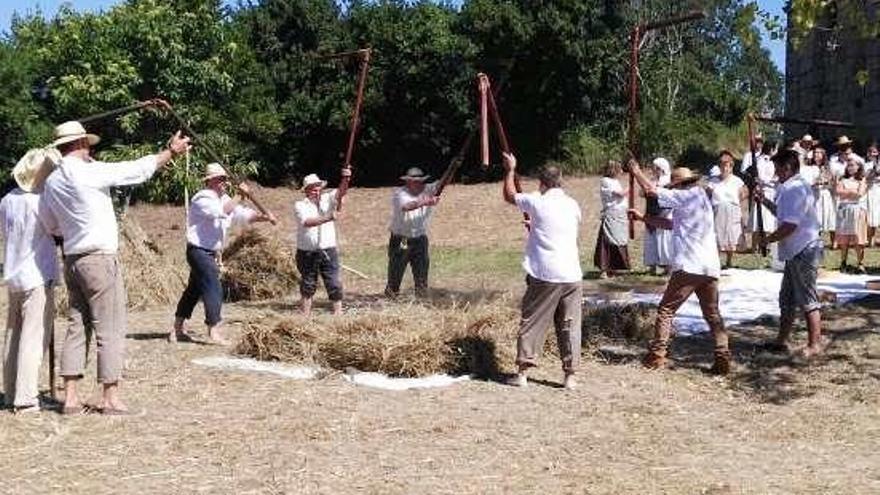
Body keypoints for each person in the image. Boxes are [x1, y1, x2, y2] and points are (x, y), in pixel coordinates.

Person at [41, 121, 190, 415]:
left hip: (72, 259)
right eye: (88, 144)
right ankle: (109, 397)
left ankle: (70, 397)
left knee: (76, 326)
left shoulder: (52, 182)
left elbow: (49, 224)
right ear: (81, 144)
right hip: (99, 259)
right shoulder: (89, 171)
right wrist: (170, 152)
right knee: (109, 328)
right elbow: (133, 170)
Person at [628, 162, 730, 375]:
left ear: (679, 185)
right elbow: (672, 225)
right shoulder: (700, 197)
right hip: (709, 266)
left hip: (689, 265)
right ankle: (722, 354)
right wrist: (643, 218)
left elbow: (651, 191)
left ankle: (657, 356)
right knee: (712, 313)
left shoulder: (684, 196)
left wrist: (636, 171)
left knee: (666, 310)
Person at [170, 163, 276, 344]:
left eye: (225, 179)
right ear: (209, 181)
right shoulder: (202, 197)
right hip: (198, 251)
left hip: (210, 252)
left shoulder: (224, 198)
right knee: (214, 285)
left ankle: (176, 329)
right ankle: (214, 329)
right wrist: (240, 195)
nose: (223, 182)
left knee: (193, 291)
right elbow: (221, 212)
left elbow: (242, 214)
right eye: (220, 179)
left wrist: (264, 217)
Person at [501, 153, 582, 389]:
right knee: (569, 325)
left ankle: (523, 373)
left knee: (532, 321)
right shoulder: (572, 204)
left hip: (547, 273)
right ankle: (570, 376)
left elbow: (509, 196)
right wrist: (535, 226)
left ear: (542, 183)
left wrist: (510, 170)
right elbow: (562, 230)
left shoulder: (538, 201)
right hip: (572, 274)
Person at [1, 148, 60, 413]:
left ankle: (10, 392)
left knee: (13, 336)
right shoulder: (41, 202)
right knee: (32, 339)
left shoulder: (7, 200)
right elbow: (57, 230)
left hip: (14, 274)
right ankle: (25, 399)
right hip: (37, 276)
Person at [758, 149, 826, 356]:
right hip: (796, 251)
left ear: (787, 168)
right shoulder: (792, 187)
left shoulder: (794, 189)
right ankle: (781, 341)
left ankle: (815, 344)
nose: (776, 174)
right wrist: (764, 201)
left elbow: (789, 225)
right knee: (786, 298)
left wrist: (767, 240)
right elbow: (784, 213)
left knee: (807, 297)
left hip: (804, 249)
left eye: (778, 169)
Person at [294, 169, 351, 316]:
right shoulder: (300, 205)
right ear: (306, 191)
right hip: (307, 251)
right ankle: (305, 314)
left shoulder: (328, 198)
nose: (315, 190)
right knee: (308, 282)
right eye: (312, 188)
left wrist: (346, 178)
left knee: (333, 282)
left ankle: (338, 313)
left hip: (328, 249)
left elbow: (341, 193)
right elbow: (307, 222)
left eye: (317, 187)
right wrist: (328, 217)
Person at [385, 167, 440, 298]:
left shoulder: (428, 189)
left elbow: (443, 182)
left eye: (418, 181)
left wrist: (454, 167)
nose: (416, 183)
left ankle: (421, 297)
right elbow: (406, 206)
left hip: (420, 239)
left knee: (421, 272)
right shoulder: (400, 193)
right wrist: (426, 201)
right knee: (396, 271)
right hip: (402, 239)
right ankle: (392, 295)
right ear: (408, 182)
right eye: (413, 181)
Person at [707, 150, 747, 269]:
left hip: (732, 209)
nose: (725, 167)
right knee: (717, 235)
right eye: (722, 165)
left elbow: (742, 197)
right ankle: (717, 261)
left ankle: (729, 261)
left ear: (731, 166)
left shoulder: (737, 181)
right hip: (717, 210)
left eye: (727, 165)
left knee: (731, 235)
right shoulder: (713, 181)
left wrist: (742, 213)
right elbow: (707, 196)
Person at [594, 160, 630, 278]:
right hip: (611, 214)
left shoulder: (615, 181)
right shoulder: (606, 181)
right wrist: (630, 188)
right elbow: (619, 194)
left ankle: (615, 268)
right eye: (619, 169)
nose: (621, 171)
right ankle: (604, 269)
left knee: (619, 240)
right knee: (607, 240)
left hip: (620, 214)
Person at [835, 158, 868, 272]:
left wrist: (847, 193)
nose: (850, 167)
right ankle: (843, 262)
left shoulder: (862, 179)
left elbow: (860, 194)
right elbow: (838, 192)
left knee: (858, 237)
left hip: (857, 210)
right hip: (844, 210)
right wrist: (851, 192)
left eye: (853, 165)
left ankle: (860, 263)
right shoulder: (842, 179)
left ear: (858, 167)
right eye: (849, 165)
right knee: (844, 237)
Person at [642, 157, 672, 275]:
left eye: (656, 168)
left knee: (664, 240)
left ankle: (667, 266)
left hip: (663, 213)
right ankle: (652, 265)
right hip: (651, 211)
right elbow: (642, 192)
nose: (654, 170)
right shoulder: (653, 179)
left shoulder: (667, 180)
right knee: (651, 240)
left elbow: (658, 192)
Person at [810, 147, 837, 248]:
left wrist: (827, 181)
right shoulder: (810, 167)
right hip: (815, 194)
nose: (816, 155)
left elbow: (833, 182)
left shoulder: (828, 167)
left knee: (830, 217)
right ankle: (816, 241)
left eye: (819, 153)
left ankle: (834, 242)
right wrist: (815, 182)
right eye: (815, 153)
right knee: (817, 218)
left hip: (825, 193)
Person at [864, 144, 880, 246]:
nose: (872, 154)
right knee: (870, 214)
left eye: (874, 152)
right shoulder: (866, 165)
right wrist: (873, 172)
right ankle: (870, 239)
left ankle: (875, 238)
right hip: (870, 190)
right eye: (870, 152)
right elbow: (865, 178)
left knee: (877, 214)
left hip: (878, 189)